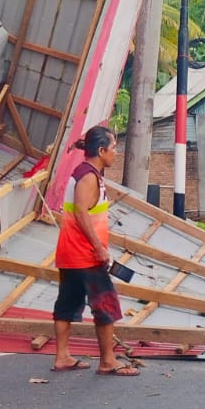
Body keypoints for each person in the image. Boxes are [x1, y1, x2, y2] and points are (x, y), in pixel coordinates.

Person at [51, 125, 138, 378]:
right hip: (85, 255)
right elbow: (80, 212)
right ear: (101, 151)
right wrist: (99, 248)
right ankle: (108, 361)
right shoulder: (88, 177)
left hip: (70, 253)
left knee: (66, 305)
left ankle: (62, 357)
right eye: (113, 149)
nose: (115, 153)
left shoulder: (81, 173)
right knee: (105, 306)